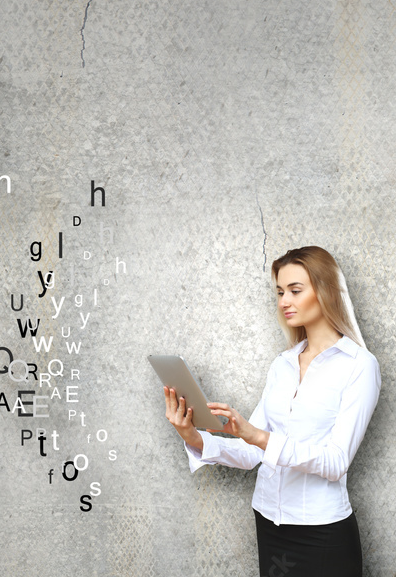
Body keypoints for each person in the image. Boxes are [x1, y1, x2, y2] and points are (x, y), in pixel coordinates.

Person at [163, 246, 381, 576]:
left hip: (321, 533)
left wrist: (260, 437)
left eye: (295, 290)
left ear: (325, 291)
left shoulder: (360, 366)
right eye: (280, 292)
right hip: (269, 523)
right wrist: (193, 436)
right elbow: (251, 452)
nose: (284, 302)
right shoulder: (282, 364)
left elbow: (336, 462)